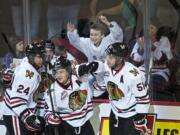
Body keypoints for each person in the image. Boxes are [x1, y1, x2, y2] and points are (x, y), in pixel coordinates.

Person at [82, 42, 150, 135]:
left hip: (130, 116)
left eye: (111, 57)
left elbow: (143, 98)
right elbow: (103, 85)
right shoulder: (106, 67)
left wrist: (140, 118)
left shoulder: (133, 74)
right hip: (115, 113)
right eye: (108, 56)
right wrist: (93, 75)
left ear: (120, 58)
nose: (107, 59)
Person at [67, 15, 123, 98]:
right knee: (82, 84)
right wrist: (71, 33)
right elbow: (76, 41)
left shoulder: (108, 41)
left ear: (102, 36)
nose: (93, 37)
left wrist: (108, 23)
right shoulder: (87, 43)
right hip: (95, 76)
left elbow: (118, 35)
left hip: (111, 75)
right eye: (91, 34)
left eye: (96, 35)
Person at [1, 43, 45, 135]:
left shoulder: (27, 61)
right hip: (14, 113)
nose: (42, 59)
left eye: (42, 55)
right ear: (31, 57)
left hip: (19, 111)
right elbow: (16, 101)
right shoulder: (28, 76)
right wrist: (27, 117)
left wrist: (10, 73)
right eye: (39, 56)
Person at [44, 56, 94, 135]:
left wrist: (84, 68)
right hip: (66, 127)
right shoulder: (51, 91)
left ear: (68, 71)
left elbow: (93, 68)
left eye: (61, 72)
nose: (58, 75)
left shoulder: (81, 78)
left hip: (85, 124)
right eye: (56, 72)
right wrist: (51, 117)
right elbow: (47, 112)